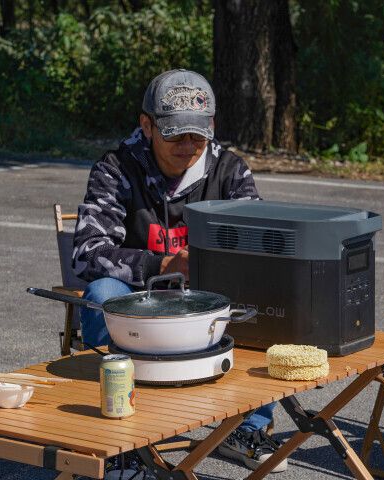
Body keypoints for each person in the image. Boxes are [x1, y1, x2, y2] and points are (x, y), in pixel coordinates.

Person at [72, 69, 287, 474]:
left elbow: (256, 250)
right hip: (138, 304)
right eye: (174, 135)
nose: (188, 146)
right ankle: (118, 440)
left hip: (208, 308)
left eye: (198, 135)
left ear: (211, 127)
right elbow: (86, 252)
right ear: (147, 125)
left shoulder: (230, 170)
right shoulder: (117, 168)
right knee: (101, 294)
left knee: (265, 295)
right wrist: (162, 265)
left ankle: (248, 427)